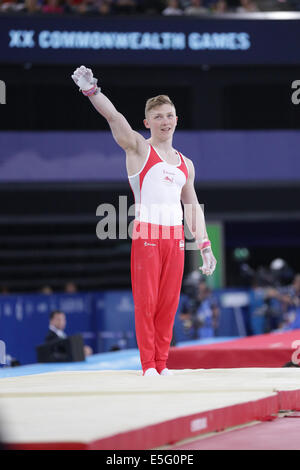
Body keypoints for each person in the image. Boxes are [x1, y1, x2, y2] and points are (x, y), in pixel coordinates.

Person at [71, 66, 217, 376]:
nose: (165, 121)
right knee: (147, 303)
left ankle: (162, 365)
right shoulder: (139, 148)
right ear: (147, 123)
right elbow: (114, 118)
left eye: (169, 115)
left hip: (176, 238)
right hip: (148, 235)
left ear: (176, 119)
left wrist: (204, 245)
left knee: (168, 305)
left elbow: (192, 207)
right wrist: (92, 91)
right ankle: (148, 365)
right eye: (158, 116)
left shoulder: (185, 165)